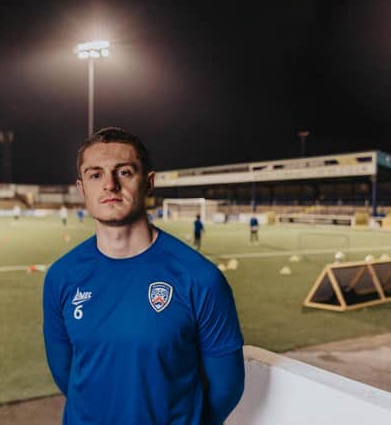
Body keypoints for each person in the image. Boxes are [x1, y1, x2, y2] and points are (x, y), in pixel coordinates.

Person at [43, 127, 244, 425]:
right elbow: (64, 373)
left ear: (148, 182)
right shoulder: (61, 276)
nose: (109, 185)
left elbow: (227, 386)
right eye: (95, 175)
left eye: (124, 172)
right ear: (82, 187)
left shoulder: (200, 279)